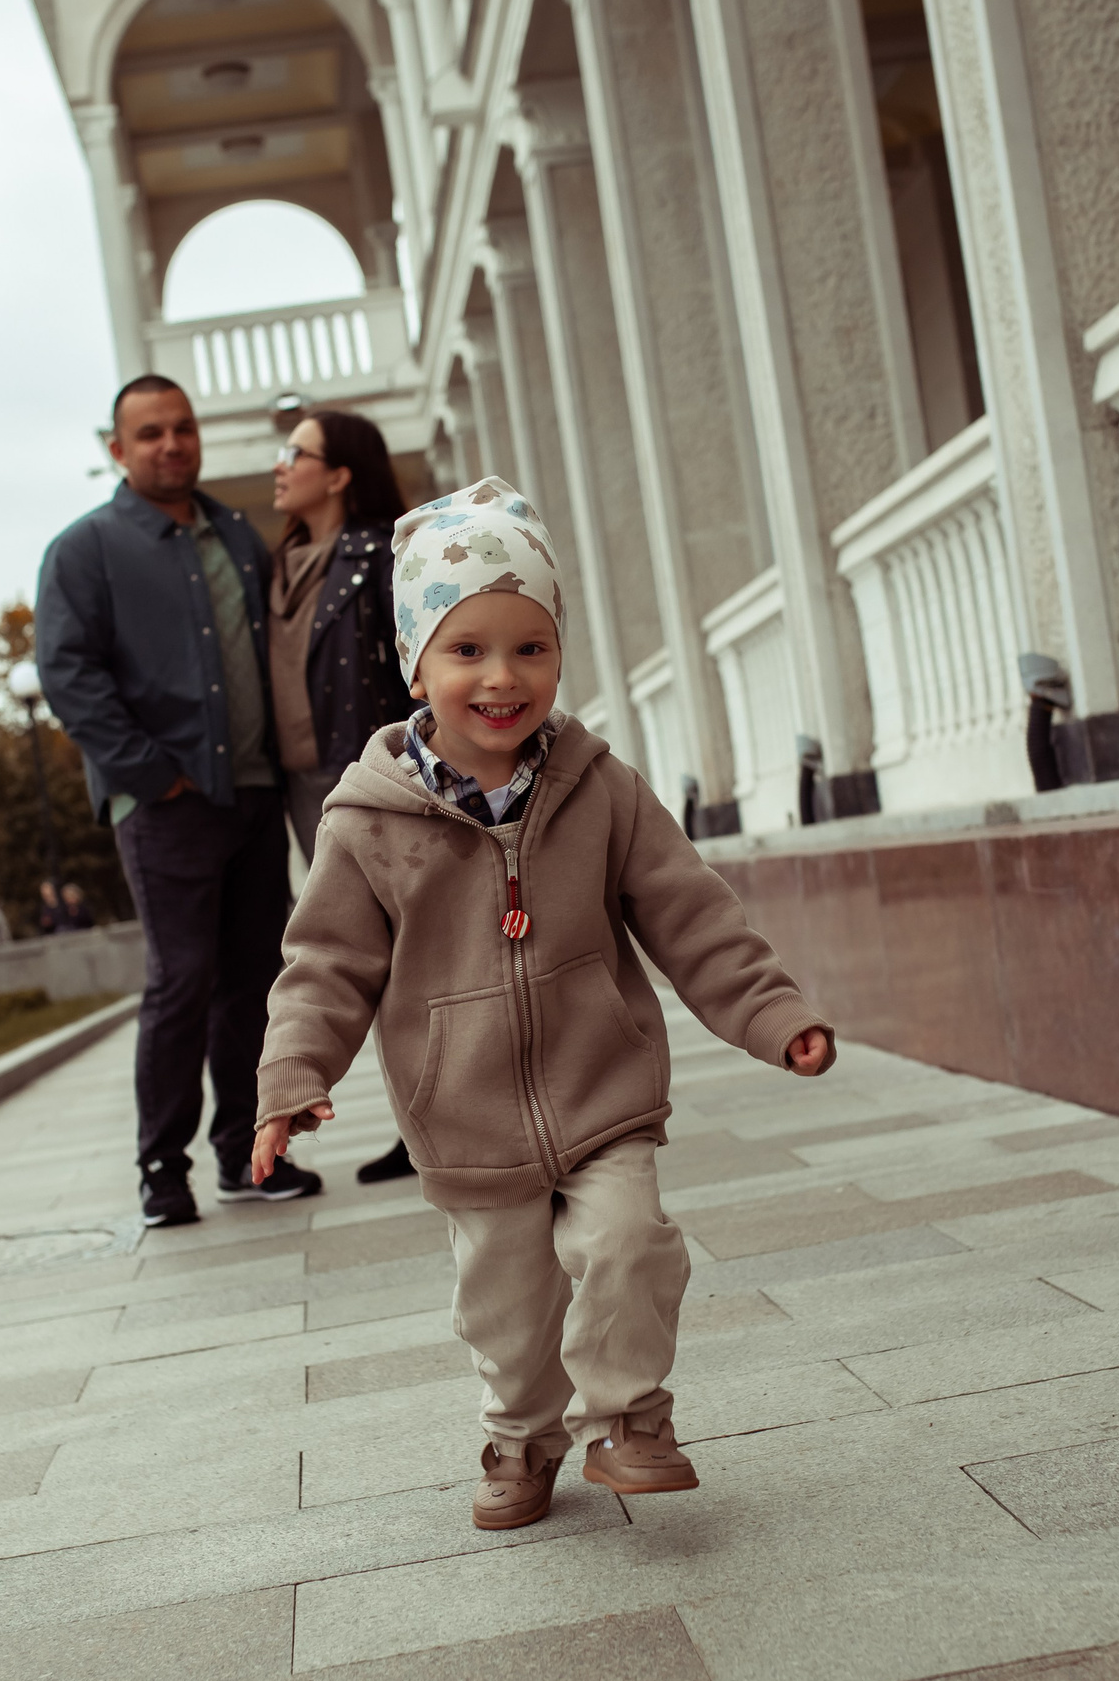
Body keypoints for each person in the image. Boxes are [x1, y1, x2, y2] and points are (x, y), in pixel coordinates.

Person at [249, 477, 836, 1533]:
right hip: (464, 1115)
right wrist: (291, 1081)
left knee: (625, 1244)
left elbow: (687, 911)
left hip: (599, 1086)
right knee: (507, 1308)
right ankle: (521, 1437)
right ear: (413, 663)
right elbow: (324, 965)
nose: (501, 677)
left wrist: (770, 1012)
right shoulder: (368, 821)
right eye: (466, 650)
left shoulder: (597, 787)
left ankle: (632, 1420)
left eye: (530, 648)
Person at [36, 374, 326, 1228]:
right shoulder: (83, 550)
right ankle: (164, 1168)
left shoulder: (236, 533)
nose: (172, 444)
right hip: (163, 804)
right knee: (181, 980)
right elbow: (69, 674)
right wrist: (149, 773)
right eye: (151, 433)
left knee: (252, 979)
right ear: (116, 450)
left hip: (251, 790)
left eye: (183, 428)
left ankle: (246, 1153)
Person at [266, 407, 421, 1188]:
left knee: (404, 952)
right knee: (358, 948)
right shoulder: (281, 564)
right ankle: (419, 1117)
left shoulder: (380, 557)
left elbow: (413, 671)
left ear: (339, 474)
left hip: (370, 777)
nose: (280, 464)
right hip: (305, 787)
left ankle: (426, 1119)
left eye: (297, 452)